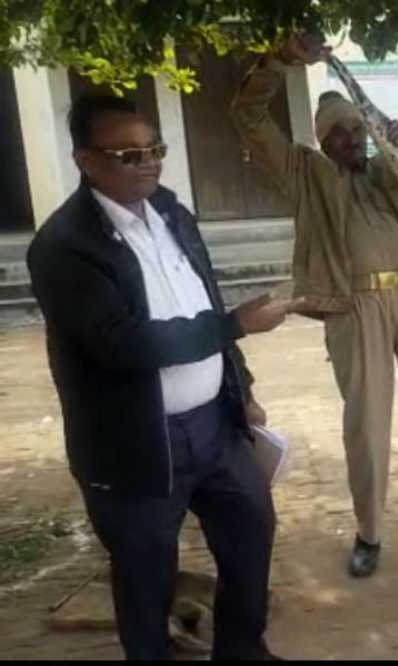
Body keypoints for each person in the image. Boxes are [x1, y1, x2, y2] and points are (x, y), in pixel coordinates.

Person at [26, 94, 294, 659]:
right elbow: (122, 344)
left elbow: (203, 294)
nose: (147, 162)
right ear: (85, 160)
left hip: (216, 430)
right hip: (135, 445)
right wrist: (234, 327)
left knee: (250, 537)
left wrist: (240, 390)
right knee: (147, 578)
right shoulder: (63, 247)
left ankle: (243, 651)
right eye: (128, 154)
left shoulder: (172, 212)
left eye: (155, 149)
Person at [230, 34, 398, 578]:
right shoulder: (305, 175)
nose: (353, 139)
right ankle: (369, 532)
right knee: (368, 425)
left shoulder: (392, 171)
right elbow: (248, 115)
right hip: (355, 307)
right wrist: (277, 62)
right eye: (341, 133)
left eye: (358, 129)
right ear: (323, 142)